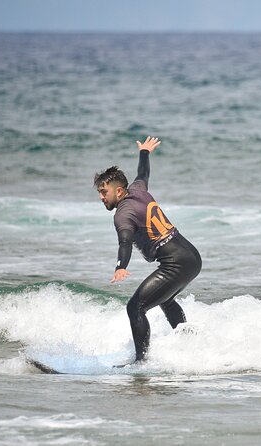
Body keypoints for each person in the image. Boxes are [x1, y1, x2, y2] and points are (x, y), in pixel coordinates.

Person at [94, 136, 202, 363]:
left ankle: (141, 362)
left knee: (135, 307)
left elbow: (125, 241)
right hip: (191, 257)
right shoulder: (138, 189)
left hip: (175, 262)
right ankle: (192, 346)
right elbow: (143, 173)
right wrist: (144, 152)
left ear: (120, 191)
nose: (101, 197)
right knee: (165, 299)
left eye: (104, 192)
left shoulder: (123, 213)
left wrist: (120, 266)